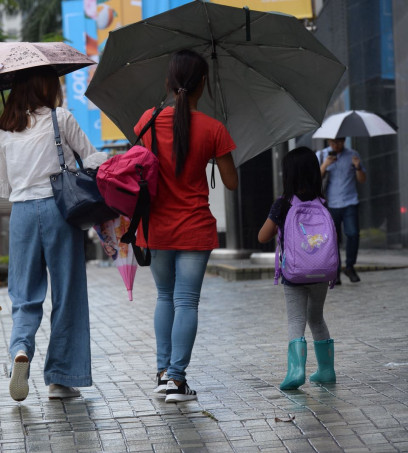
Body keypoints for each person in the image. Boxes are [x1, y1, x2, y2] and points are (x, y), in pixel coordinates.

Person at [133, 50, 238, 403]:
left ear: (168, 82)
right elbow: (232, 182)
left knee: (165, 297)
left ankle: (163, 374)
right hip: (194, 228)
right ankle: (177, 380)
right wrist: (214, 152)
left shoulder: (147, 120)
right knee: (186, 300)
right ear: (203, 84)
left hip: (156, 229)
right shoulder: (214, 129)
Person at [0, 66, 96, 402]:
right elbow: (92, 159)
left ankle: (20, 350)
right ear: (45, 86)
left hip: (21, 213)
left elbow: (2, 185)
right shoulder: (60, 118)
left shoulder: (2, 129)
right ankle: (60, 379)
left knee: (23, 293)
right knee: (67, 293)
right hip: (59, 209)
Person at [258, 147, 337, 390]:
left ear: (288, 175)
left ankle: (296, 371)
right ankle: (326, 370)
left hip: (294, 274)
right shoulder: (322, 203)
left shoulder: (282, 204)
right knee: (316, 317)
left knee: (296, 319)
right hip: (321, 272)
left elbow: (263, 237)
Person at [316, 138, 366, 283]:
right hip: (330, 204)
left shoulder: (353, 154)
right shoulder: (321, 155)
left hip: (350, 202)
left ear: (344, 141)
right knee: (332, 240)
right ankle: (335, 271)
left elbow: (362, 179)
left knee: (353, 234)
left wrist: (357, 167)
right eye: (331, 142)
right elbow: (315, 179)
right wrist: (325, 165)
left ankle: (349, 266)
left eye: (338, 142)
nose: (335, 145)